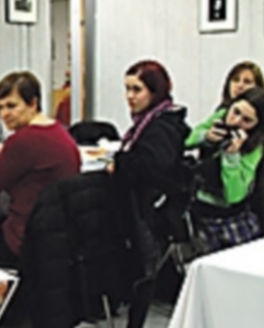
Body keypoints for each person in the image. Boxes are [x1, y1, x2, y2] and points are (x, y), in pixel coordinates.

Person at [0, 71, 80, 269]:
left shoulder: (24, 140)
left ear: (33, 104)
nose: (4, 114)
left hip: (25, 237)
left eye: (12, 106)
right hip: (59, 234)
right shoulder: (59, 132)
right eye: (0, 107)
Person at [106, 60, 189, 328]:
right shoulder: (150, 121)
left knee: (143, 277)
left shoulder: (161, 126)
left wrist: (120, 161)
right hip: (143, 210)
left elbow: (148, 168)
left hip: (149, 214)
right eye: (127, 89)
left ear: (155, 91)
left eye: (137, 89)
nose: (130, 96)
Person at [187, 88, 264, 252]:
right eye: (235, 112)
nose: (236, 121)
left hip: (231, 219)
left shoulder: (255, 148)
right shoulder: (221, 116)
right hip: (199, 213)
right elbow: (187, 140)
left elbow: (235, 195)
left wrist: (232, 157)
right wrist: (205, 137)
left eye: (247, 120)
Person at [185, 61, 264, 148]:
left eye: (247, 82)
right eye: (235, 80)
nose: (240, 85)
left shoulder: (263, 125)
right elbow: (190, 138)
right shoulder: (222, 113)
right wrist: (206, 136)